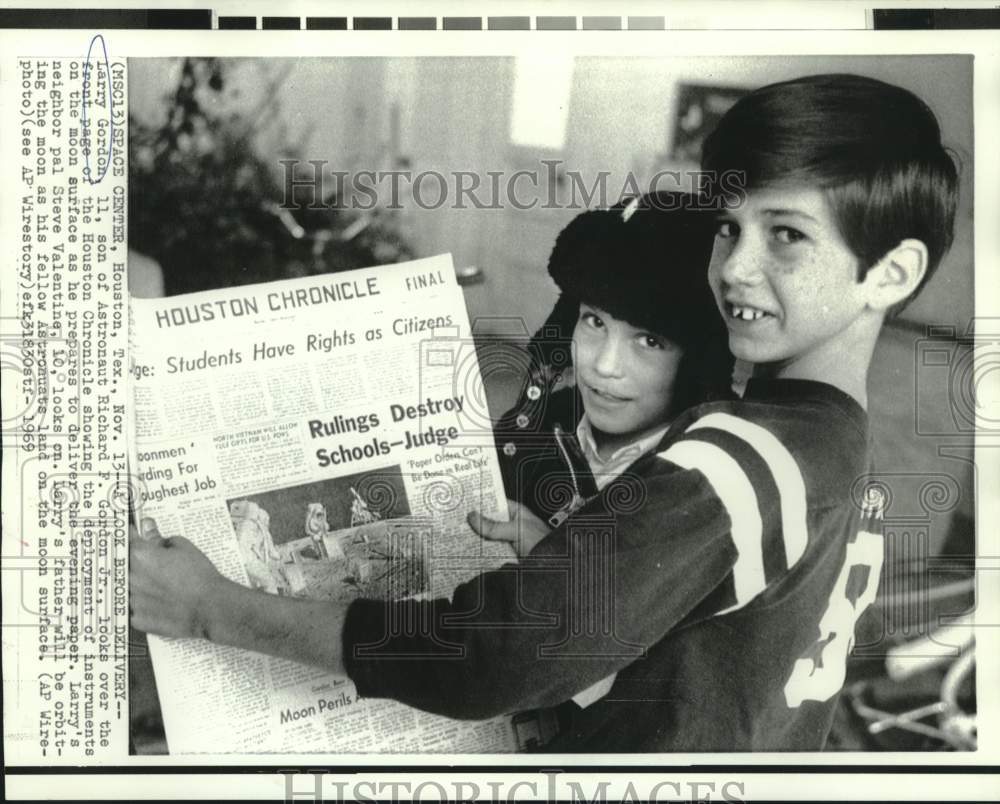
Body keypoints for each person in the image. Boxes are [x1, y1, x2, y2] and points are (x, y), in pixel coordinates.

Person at [130, 73, 959, 751]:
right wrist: (587, 564)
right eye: (727, 228)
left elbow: (492, 658)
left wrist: (212, 608)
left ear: (891, 272)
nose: (736, 268)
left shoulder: (735, 460)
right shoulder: (834, 443)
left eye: (787, 236)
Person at [494, 191, 732, 532]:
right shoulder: (530, 429)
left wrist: (549, 555)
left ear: (699, 363)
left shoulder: (707, 483)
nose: (604, 366)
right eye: (594, 322)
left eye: (649, 341)